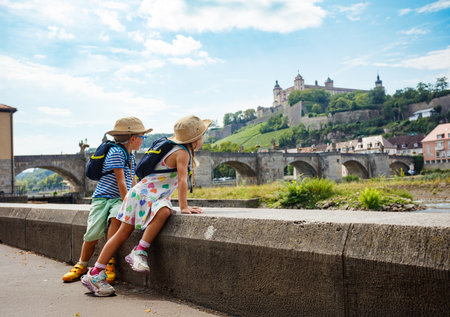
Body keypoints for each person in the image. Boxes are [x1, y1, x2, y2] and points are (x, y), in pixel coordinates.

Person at [81, 115, 211, 297]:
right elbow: (182, 180)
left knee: (121, 234)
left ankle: (95, 272)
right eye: (202, 135)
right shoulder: (182, 153)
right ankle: (140, 250)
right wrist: (184, 207)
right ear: (196, 139)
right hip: (149, 195)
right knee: (164, 211)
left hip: (137, 193)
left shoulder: (171, 148)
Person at [62, 117, 152, 283]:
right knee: (93, 232)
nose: (143, 140)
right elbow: (120, 181)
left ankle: (109, 262)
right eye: (142, 137)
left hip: (118, 197)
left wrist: (140, 198)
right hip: (103, 197)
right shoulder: (116, 152)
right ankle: (82, 264)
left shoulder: (130, 155)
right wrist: (128, 203)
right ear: (133, 138)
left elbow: (132, 180)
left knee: (116, 218)